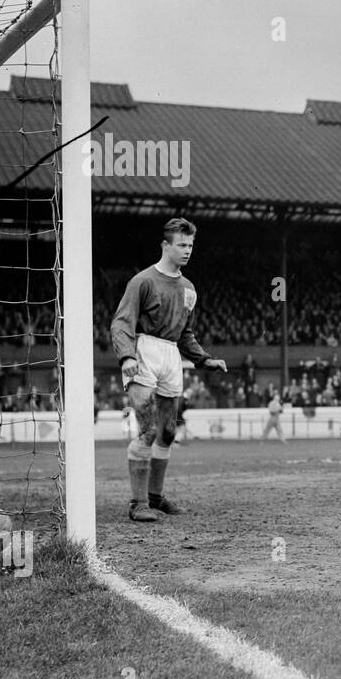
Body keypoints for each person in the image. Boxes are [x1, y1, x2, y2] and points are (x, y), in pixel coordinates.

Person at [111, 218, 227, 521]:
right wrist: (126, 357)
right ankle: (137, 504)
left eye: (190, 245)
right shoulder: (143, 281)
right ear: (166, 245)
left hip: (171, 354)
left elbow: (185, 333)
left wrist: (203, 360)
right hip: (143, 351)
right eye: (181, 245)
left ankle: (155, 497)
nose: (187, 250)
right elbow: (121, 322)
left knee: (168, 431)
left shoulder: (189, 289)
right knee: (148, 430)